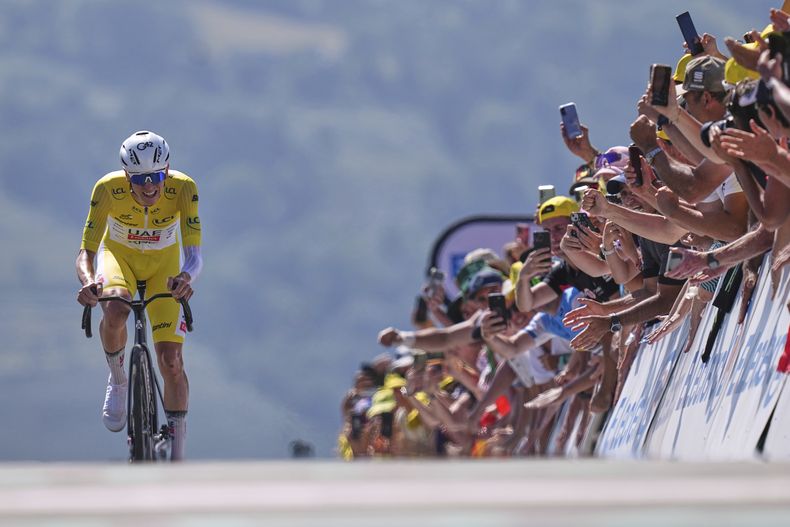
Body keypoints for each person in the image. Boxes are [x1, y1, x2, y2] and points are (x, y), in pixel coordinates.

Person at [75, 131, 202, 461]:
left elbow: (194, 253)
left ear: (168, 170)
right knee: (115, 309)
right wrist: (89, 282)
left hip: (165, 267)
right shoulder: (107, 189)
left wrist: (186, 277)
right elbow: (86, 252)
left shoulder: (183, 188)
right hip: (121, 259)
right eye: (140, 179)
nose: (149, 187)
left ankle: (178, 454)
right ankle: (118, 381)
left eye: (157, 177)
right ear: (127, 175)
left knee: (172, 362)